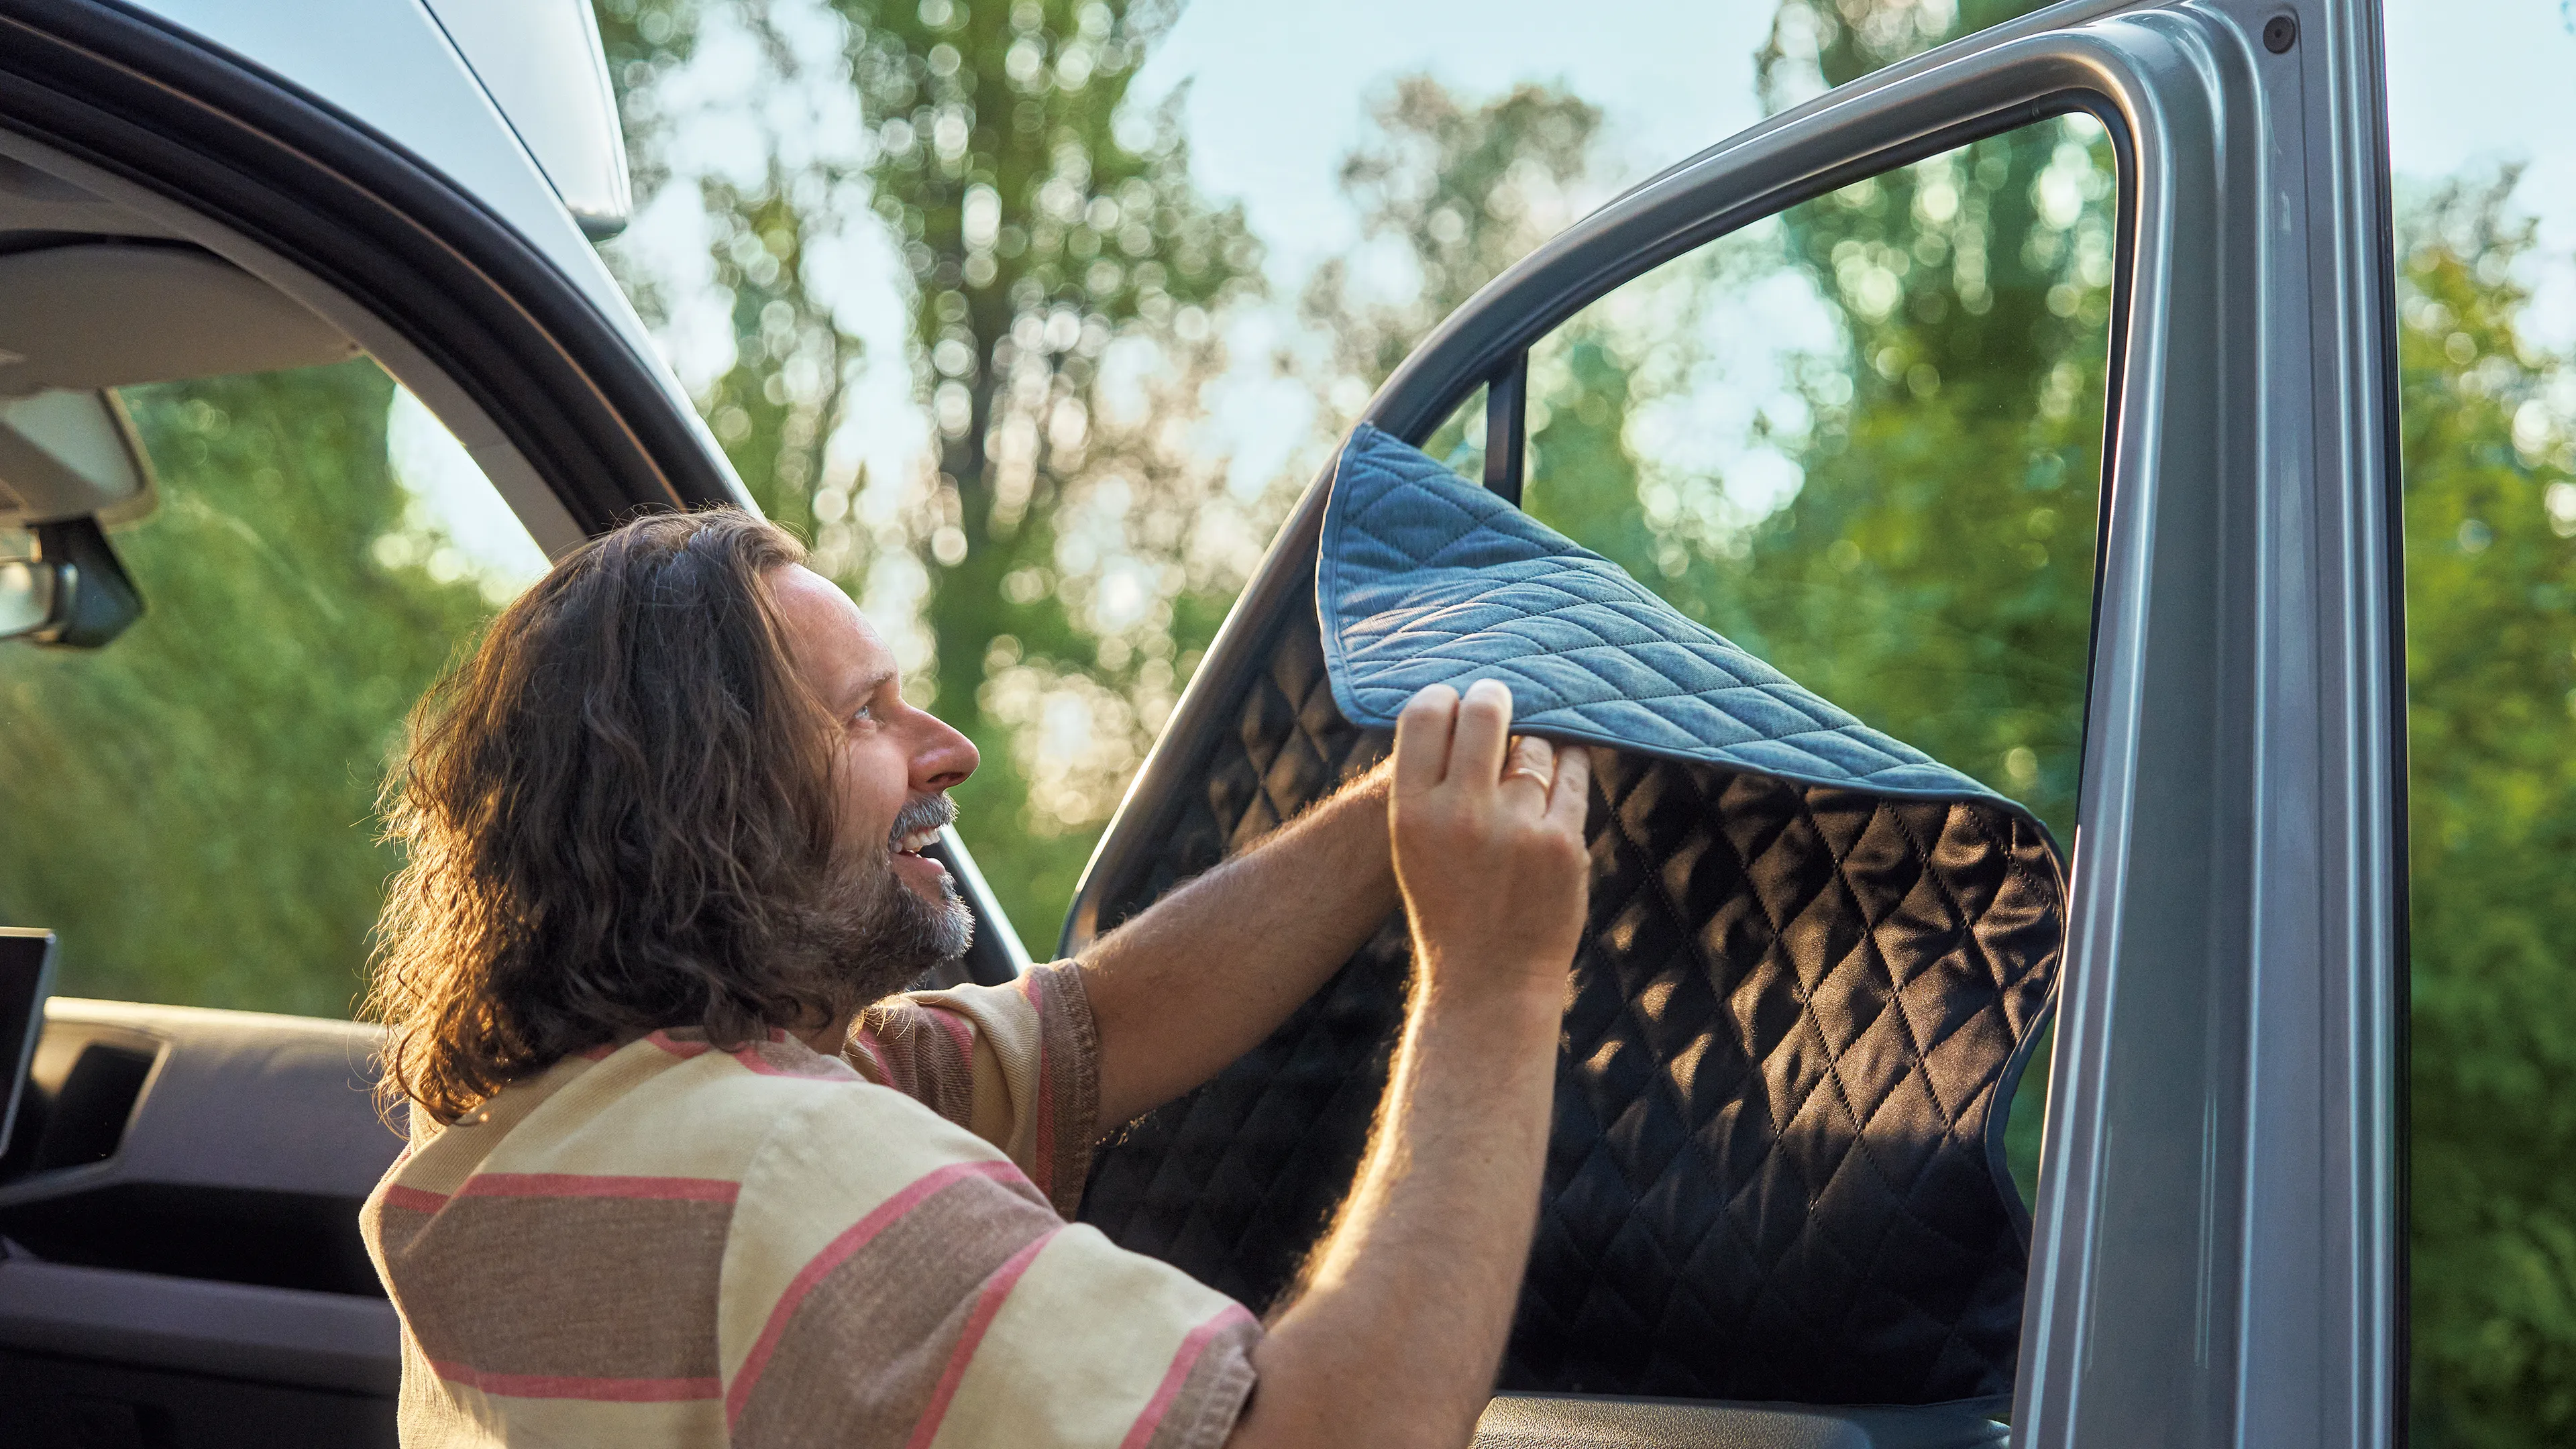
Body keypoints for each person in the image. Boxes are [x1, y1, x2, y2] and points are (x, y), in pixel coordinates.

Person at [360, 507, 1594, 1449]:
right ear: (702, 805)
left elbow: (1097, 1021)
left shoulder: (543, 1122)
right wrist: (1498, 977)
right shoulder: (793, 1177)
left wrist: (1412, 809)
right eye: (866, 715)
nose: (951, 749)